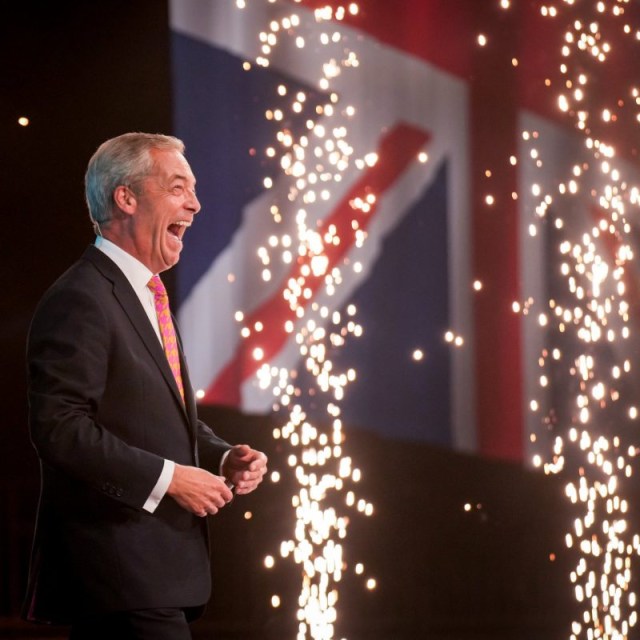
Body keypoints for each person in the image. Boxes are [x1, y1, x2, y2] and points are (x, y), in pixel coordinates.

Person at [23, 132, 268, 639]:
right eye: (179, 187)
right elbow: (59, 427)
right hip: (120, 570)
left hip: (149, 577)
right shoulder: (83, 298)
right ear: (126, 197)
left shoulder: (144, 294)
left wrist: (220, 456)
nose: (196, 204)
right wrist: (170, 479)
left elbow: (150, 410)